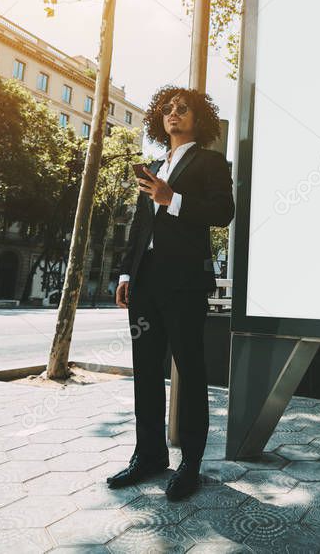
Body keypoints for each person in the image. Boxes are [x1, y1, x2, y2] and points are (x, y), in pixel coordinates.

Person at [106, 85, 235, 501]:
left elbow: (223, 213)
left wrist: (171, 198)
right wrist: (126, 274)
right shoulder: (156, 164)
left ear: (198, 118)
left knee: (191, 371)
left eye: (183, 109)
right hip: (145, 283)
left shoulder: (210, 162)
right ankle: (149, 456)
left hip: (183, 284)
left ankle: (191, 464)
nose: (173, 114)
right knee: (145, 371)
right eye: (167, 110)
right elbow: (140, 227)